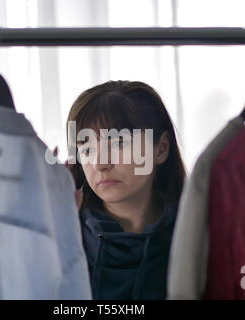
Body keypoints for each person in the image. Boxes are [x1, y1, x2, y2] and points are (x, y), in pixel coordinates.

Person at [64, 80, 186, 300]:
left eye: (118, 143)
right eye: (88, 149)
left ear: (161, 149)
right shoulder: (66, 235)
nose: (100, 164)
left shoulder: (196, 234)